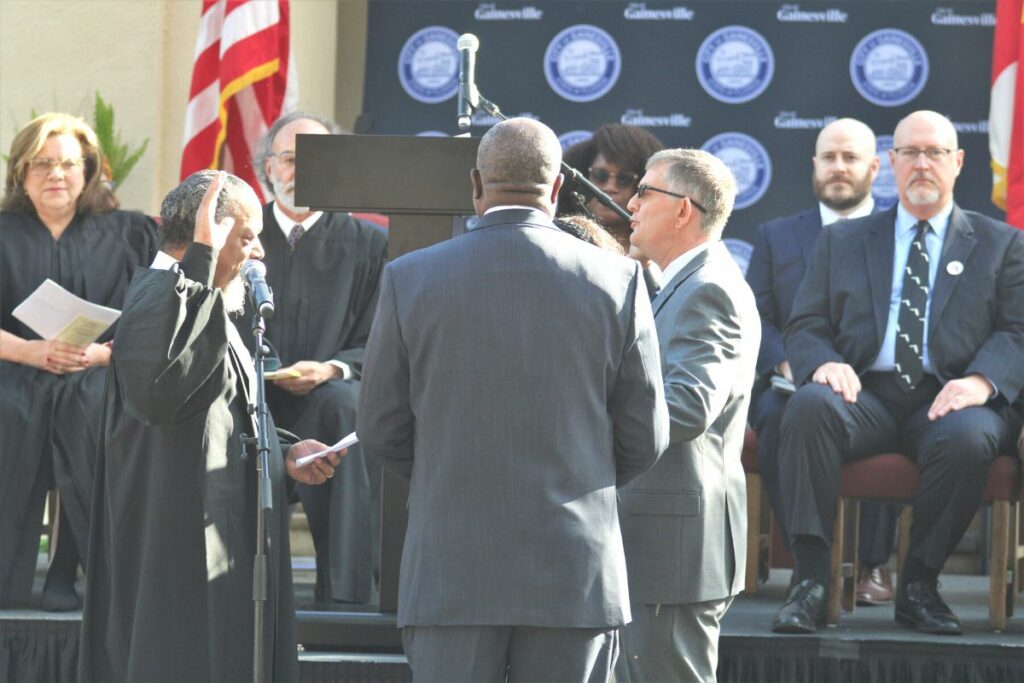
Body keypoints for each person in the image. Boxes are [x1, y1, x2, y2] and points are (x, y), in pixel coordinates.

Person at [357, 118, 669, 683]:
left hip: (450, 571)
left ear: (476, 184)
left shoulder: (409, 278)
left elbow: (381, 428)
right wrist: (581, 477)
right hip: (573, 573)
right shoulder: (619, 280)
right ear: (555, 190)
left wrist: (440, 476)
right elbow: (645, 435)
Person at [78, 171, 343, 683]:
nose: (260, 252)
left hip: (224, 529)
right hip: (177, 545)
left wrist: (284, 452)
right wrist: (202, 257)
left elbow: (218, 410)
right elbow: (162, 392)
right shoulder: (161, 296)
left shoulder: (209, 302)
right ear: (210, 234)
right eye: (248, 237)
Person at [772, 111, 1024, 636]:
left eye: (935, 152)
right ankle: (812, 583)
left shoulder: (1001, 243)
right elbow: (806, 321)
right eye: (910, 152)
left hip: (950, 396)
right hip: (867, 391)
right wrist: (823, 361)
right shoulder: (844, 239)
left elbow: (1017, 330)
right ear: (891, 163)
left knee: (971, 436)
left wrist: (980, 382)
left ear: (957, 162)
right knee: (809, 405)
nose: (922, 163)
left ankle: (918, 586)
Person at [0, 112, 159, 611]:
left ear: (88, 171)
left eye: (69, 163)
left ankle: (67, 567)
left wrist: (104, 353)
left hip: (96, 369)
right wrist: (30, 351)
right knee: (12, 410)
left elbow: (153, 314)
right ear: (20, 173)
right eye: (41, 164)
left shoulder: (127, 233)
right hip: (14, 366)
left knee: (92, 408)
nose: (56, 175)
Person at [615, 149, 759, 683]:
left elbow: (686, 408)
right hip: (663, 544)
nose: (630, 205)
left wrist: (588, 415)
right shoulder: (683, 282)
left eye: (644, 192)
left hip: (673, 550)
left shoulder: (708, 288)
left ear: (683, 210)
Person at [746, 118, 901, 605]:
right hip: (791, 381)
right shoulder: (776, 236)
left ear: (874, 168)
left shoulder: (902, 234)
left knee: (895, 415)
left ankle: (873, 562)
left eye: (850, 158)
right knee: (778, 415)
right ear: (814, 166)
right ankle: (804, 563)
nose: (839, 168)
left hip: (875, 384)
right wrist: (792, 365)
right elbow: (759, 315)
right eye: (829, 158)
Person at [249, 111, 388, 605]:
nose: (301, 172)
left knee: (346, 408)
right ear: (268, 168)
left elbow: (384, 337)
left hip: (331, 395)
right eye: (290, 159)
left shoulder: (371, 244)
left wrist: (330, 368)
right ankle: (244, 601)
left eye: (317, 160)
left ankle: (346, 597)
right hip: (254, 390)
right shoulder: (240, 238)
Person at [559, 123, 664, 251]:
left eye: (624, 178)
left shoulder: (660, 253)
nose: (610, 187)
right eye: (600, 175)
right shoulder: (560, 244)